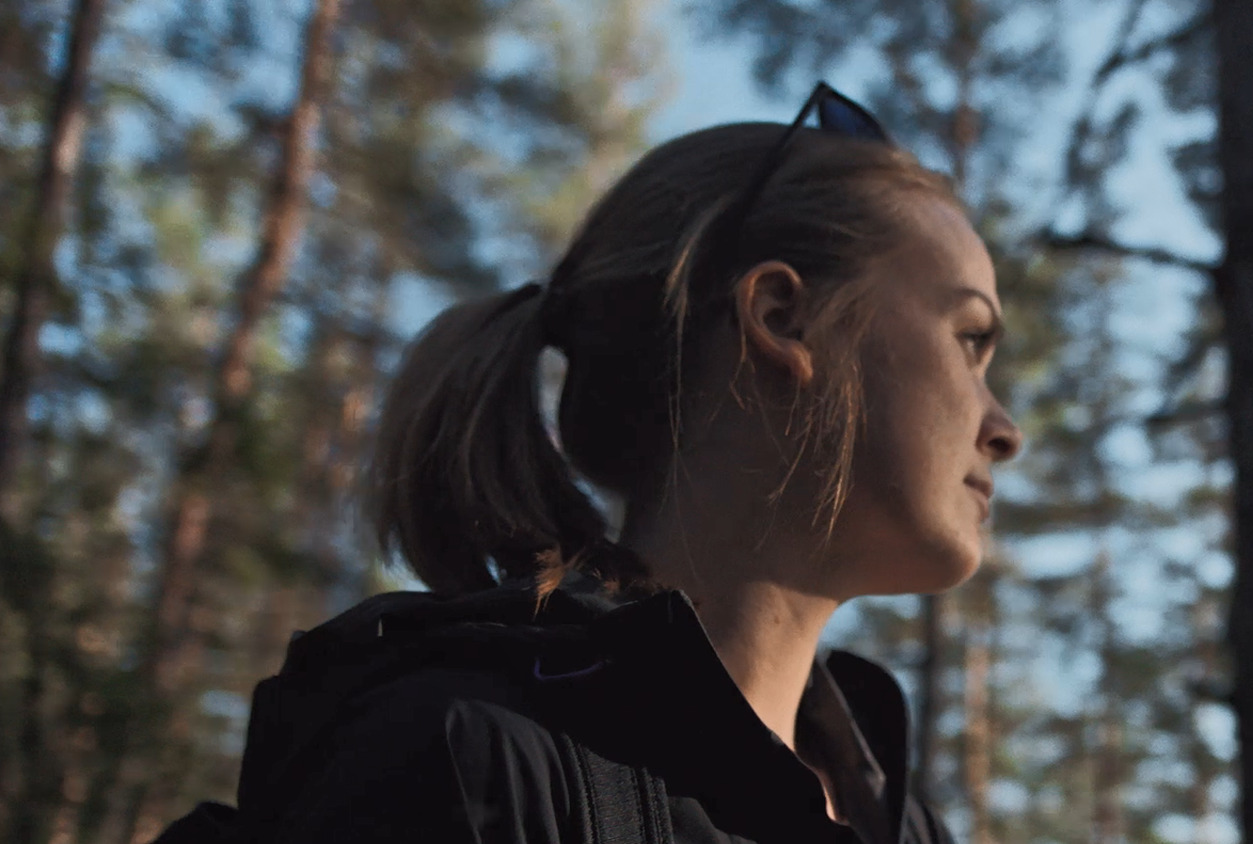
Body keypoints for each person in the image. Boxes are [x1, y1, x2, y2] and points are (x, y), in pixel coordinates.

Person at [169, 80, 1022, 844]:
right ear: (781, 318)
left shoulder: (905, 827)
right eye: (969, 340)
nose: (1004, 428)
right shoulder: (466, 762)